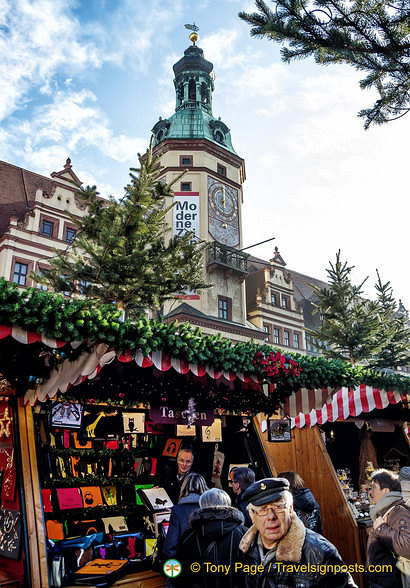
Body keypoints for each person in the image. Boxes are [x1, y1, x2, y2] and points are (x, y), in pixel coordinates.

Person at [239, 477, 357, 587]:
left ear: (290, 508)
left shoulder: (320, 552)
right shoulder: (244, 549)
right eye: (262, 510)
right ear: (251, 515)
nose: (271, 516)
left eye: (278, 507)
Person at [174, 488, 247, 587]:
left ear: (201, 505)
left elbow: (181, 574)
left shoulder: (189, 536)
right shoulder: (244, 534)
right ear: (227, 504)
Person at [367, 468, 410, 588]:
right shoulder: (386, 511)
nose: (370, 492)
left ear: (386, 491)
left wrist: (381, 529)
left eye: (373, 487)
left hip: (389, 582)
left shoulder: (398, 512)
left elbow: (408, 546)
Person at [162, 473, 208, 560]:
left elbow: (170, 545)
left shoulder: (178, 510)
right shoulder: (210, 508)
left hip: (186, 562)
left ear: (184, 487)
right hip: (209, 564)